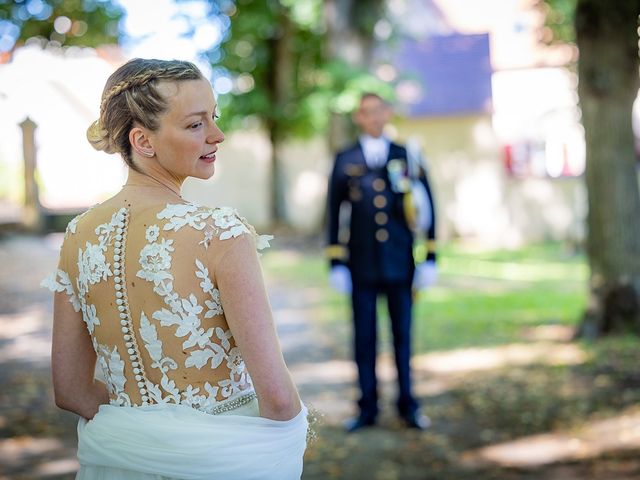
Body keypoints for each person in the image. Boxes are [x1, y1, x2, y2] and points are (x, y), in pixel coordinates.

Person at [41, 58, 307, 479]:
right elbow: (275, 395)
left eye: (213, 119)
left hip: (118, 464)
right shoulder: (219, 232)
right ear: (143, 141)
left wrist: (142, 432)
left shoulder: (78, 235)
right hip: (222, 460)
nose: (217, 136)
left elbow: (71, 390)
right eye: (196, 125)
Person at [326, 92, 437, 432]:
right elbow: (333, 211)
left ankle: (408, 405)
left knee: (402, 336)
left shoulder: (406, 155)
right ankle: (367, 407)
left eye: (379, 111)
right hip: (361, 265)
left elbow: (428, 206)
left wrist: (431, 256)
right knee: (364, 338)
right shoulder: (345, 158)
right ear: (359, 118)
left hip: (400, 263)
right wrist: (335, 260)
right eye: (366, 112)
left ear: (387, 114)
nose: (373, 117)